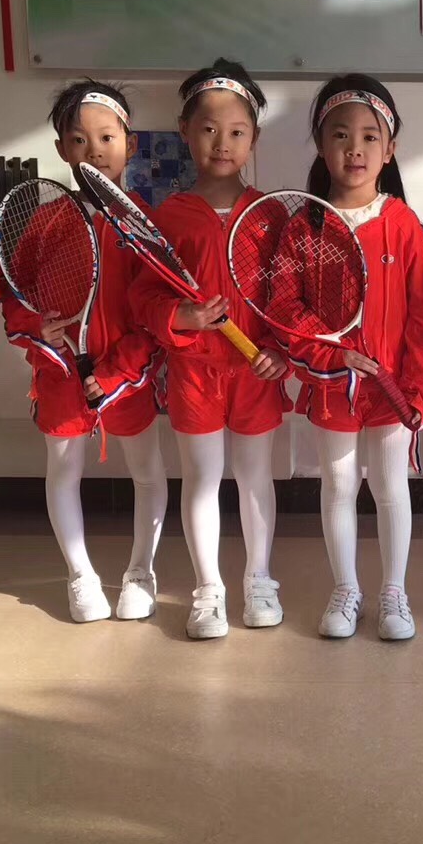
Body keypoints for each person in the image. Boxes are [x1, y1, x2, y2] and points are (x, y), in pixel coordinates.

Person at [275, 75, 423, 640]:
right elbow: (286, 307)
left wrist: (416, 386)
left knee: (391, 487)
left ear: (389, 150)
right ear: (322, 146)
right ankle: (346, 588)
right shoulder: (303, 226)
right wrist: (331, 357)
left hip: (393, 387)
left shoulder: (405, 225)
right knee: (339, 484)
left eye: (370, 137)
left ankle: (395, 592)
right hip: (332, 384)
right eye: (341, 135)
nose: (355, 148)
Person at [129, 60, 291, 639]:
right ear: (185, 131)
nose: (223, 143)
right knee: (201, 479)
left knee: (255, 479)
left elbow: (287, 297)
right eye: (208, 129)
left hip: (255, 371)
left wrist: (280, 350)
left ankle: (259, 579)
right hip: (193, 371)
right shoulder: (167, 217)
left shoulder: (270, 214)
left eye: (237, 131)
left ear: (254, 138)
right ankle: (208, 589)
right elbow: (143, 297)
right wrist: (184, 317)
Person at [2, 81, 167, 624]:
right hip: (61, 375)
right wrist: (38, 328)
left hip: (126, 378)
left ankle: (141, 573)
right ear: (61, 149)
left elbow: (158, 313)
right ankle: (80, 575)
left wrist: (119, 368)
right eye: (78, 140)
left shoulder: (145, 223)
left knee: (147, 471)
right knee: (63, 469)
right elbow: (16, 295)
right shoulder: (45, 221)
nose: (94, 150)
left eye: (106, 138)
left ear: (130, 144)